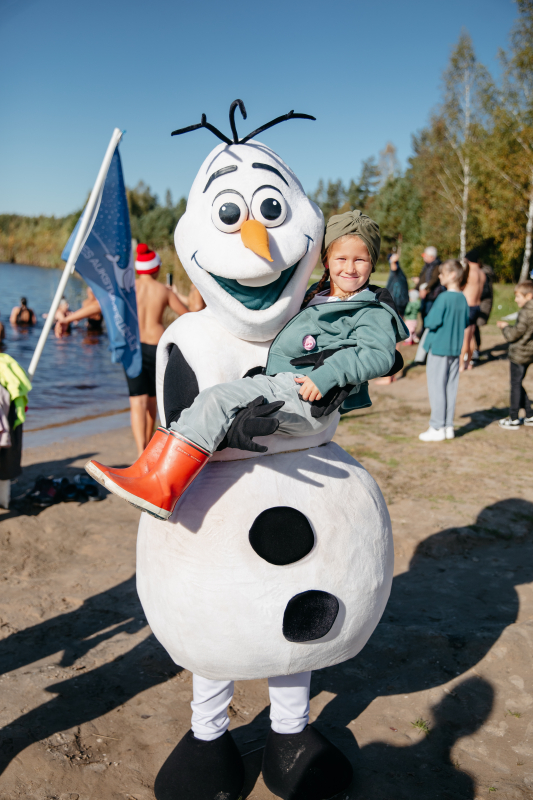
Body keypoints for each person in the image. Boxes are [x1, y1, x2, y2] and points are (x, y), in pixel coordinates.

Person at [87, 211, 408, 519]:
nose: (350, 268)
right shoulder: (319, 294)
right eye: (341, 258)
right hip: (286, 382)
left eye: (360, 260)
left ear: (372, 262)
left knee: (217, 400)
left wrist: (328, 374)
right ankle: (146, 468)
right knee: (208, 400)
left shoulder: (369, 310)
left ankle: (162, 490)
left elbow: (379, 354)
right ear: (327, 261)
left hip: (309, 397)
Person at [124, 243, 190, 456]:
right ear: (155, 268)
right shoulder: (163, 290)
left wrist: (69, 317)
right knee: (152, 399)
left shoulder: (128, 288)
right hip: (156, 346)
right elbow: (186, 315)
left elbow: (100, 305)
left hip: (132, 347)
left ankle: (139, 450)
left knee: (136, 401)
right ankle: (148, 447)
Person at [419, 260, 470, 442]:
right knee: (450, 388)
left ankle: (437, 426)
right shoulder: (463, 298)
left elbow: (430, 322)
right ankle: (448, 426)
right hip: (455, 349)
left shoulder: (443, 298)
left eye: (442, 273)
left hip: (439, 348)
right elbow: (465, 322)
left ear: (453, 275)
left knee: (437, 388)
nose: (439, 276)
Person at [497, 280, 533, 429]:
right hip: (529, 353)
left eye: (518, 296)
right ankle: (530, 415)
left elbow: (513, 335)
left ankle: (513, 418)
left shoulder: (526, 312)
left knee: (515, 384)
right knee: (518, 383)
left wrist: (505, 328)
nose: (516, 299)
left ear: (529, 296)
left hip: (519, 354)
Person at [460, 249, 487, 371]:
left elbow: (461, 286)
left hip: (468, 306)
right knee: (471, 337)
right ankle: (469, 363)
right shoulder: (482, 273)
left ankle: (461, 364)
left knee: (464, 337)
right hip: (477, 306)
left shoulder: (469, 272)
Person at [473, 262, 495, 360]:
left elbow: (484, 291)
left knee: (474, 328)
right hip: (477, 303)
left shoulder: (482, 274)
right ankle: (475, 350)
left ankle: (475, 351)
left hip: (480, 304)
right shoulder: (482, 273)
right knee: (474, 329)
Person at [415, 246, 443, 323]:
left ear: (431, 257)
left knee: (429, 314)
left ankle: (426, 332)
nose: (424, 257)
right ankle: (423, 332)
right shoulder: (427, 265)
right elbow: (422, 278)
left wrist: (425, 289)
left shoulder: (437, 266)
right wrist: (416, 289)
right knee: (423, 313)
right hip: (426, 295)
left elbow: (434, 279)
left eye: (425, 255)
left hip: (432, 296)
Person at [386, 253, 409, 318]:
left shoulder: (398, 272)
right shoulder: (394, 271)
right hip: (396, 301)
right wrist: (392, 261)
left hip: (399, 301)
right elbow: (393, 267)